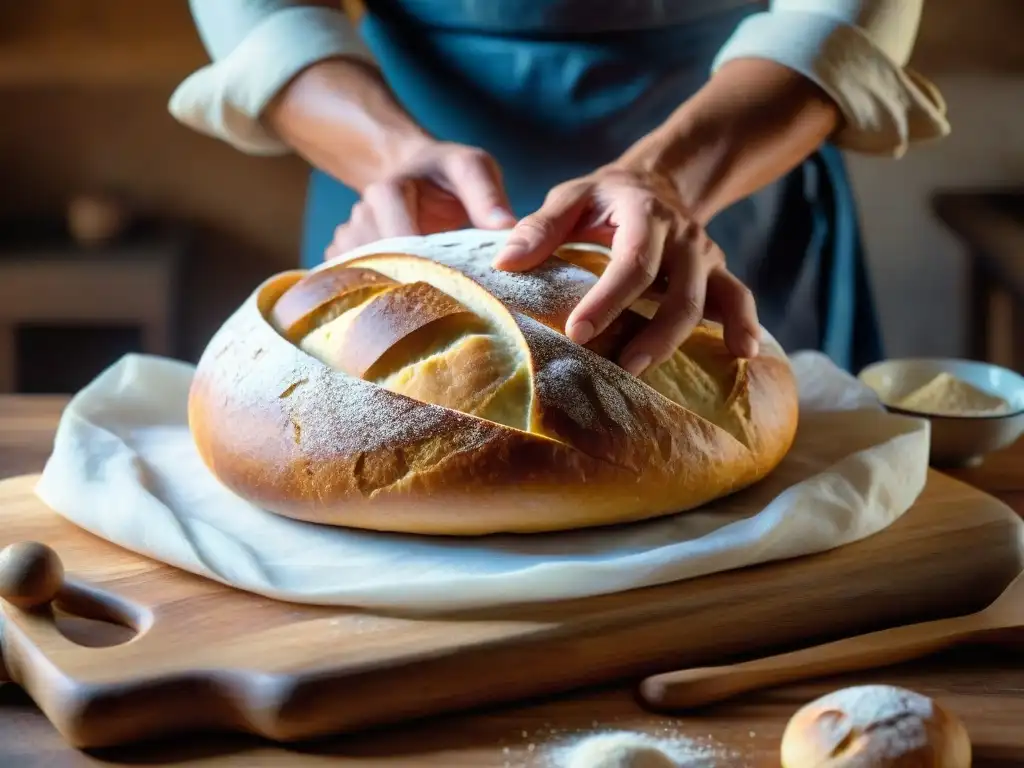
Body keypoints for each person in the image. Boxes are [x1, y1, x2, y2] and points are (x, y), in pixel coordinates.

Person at [171, 0, 948, 375]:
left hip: (734, 142)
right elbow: (262, 18)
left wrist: (670, 180)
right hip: (395, 170)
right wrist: (387, 152)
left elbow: (844, 18)